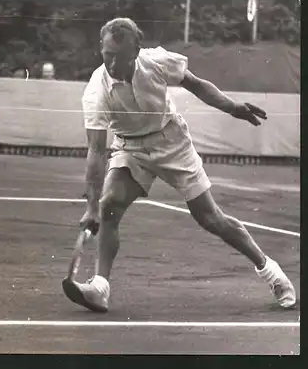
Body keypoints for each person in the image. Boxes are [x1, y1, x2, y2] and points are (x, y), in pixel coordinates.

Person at [62, 17, 296, 313]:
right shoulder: (96, 91)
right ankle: (100, 287)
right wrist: (92, 206)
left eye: (118, 58)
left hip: (172, 142)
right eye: (106, 55)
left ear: (136, 51)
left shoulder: (157, 62)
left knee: (211, 219)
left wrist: (232, 107)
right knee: (109, 206)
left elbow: (196, 84)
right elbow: (96, 151)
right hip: (130, 147)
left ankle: (271, 271)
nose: (111, 65)